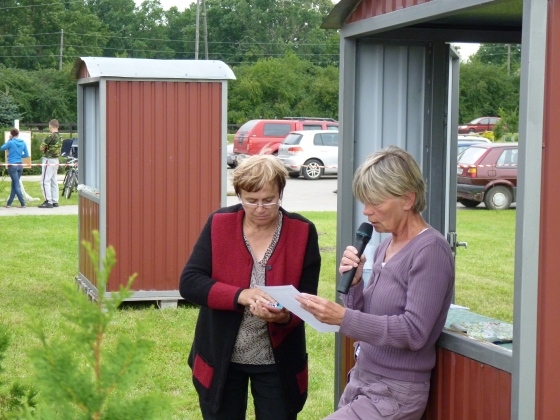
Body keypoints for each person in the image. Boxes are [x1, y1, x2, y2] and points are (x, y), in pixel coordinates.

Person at [296, 146, 454, 420]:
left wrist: (343, 317)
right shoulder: (386, 246)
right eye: (364, 202)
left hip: (394, 391)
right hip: (364, 378)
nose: (367, 212)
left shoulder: (430, 250)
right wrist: (355, 285)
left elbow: (414, 332)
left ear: (407, 199)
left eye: (376, 202)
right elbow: (371, 318)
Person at [179, 154, 321, 420]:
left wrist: (284, 316)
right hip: (222, 359)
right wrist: (240, 295)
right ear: (239, 195)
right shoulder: (219, 224)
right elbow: (190, 282)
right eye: (251, 201)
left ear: (281, 192)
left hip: (276, 363)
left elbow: (307, 300)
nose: (260, 208)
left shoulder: (302, 231)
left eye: (269, 200)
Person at [1, 127, 30, 208]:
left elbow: (2, 148)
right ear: (18, 134)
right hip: (20, 165)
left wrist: (9, 140)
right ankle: (9, 204)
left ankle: (23, 203)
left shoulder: (11, 142)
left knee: (16, 185)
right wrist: (20, 156)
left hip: (12, 165)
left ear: (11, 134)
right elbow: (26, 155)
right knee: (14, 184)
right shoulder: (23, 143)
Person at [39, 119, 62, 208]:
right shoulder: (60, 136)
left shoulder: (50, 136)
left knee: (45, 181)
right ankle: (55, 200)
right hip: (56, 160)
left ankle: (48, 201)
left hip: (48, 160)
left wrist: (45, 148)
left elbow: (42, 148)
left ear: (51, 126)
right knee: (53, 181)